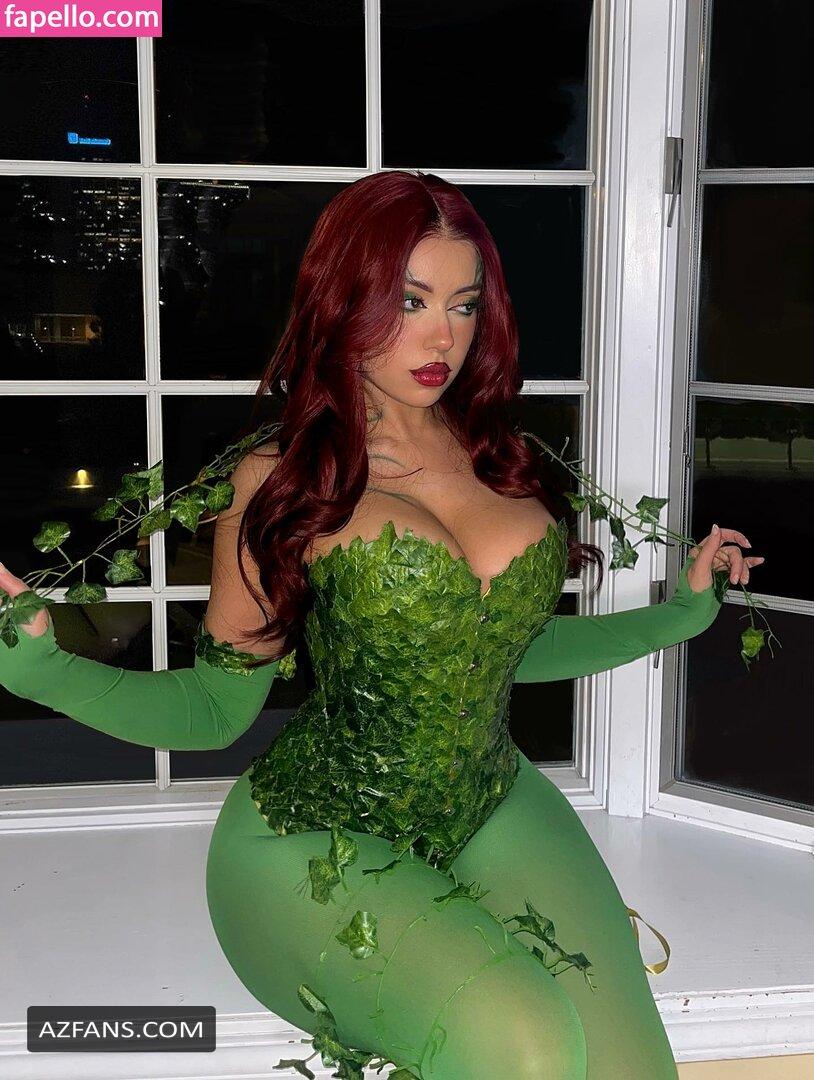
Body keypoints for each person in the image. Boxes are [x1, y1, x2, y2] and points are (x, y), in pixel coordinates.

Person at [0, 170, 763, 1079]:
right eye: (410, 301)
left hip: (491, 799)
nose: (443, 338)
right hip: (310, 836)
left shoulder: (499, 453)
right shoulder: (280, 481)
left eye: (464, 305)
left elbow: (502, 653)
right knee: (524, 1044)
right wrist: (44, 670)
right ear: (343, 300)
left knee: (628, 1067)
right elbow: (212, 709)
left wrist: (679, 614)